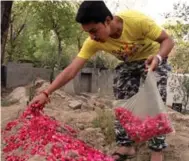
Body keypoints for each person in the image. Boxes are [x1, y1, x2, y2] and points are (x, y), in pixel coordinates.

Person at [30, 1, 174, 161]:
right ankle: (126, 146)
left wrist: (159, 58)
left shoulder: (136, 21)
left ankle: (157, 150)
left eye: (94, 31)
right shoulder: (92, 42)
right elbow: (71, 70)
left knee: (154, 100)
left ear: (107, 20)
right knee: (122, 103)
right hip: (129, 64)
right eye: (88, 33)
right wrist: (46, 92)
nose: (92, 37)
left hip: (153, 60)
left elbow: (168, 41)